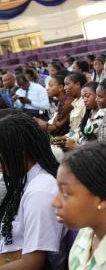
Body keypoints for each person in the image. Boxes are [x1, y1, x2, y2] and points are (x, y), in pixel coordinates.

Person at [0, 110, 66, 269]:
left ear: (20, 153)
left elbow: (32, 264)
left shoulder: (40, 193)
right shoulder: (25, 180)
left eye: (1, 158)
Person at [64, 81, 105, 150]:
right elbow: (79, 130)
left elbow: (100, 145)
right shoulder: (89, 112)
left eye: (87, 96)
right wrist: (65, 137)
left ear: (98, 94)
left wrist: (76, 147)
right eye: (83, 97)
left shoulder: (104, 114)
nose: (84, 100)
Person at [35, 72, 73, 137]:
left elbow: (56, 129)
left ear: (60, 87)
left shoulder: (67, 103)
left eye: (51, 85)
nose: (47, 88)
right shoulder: (61, 101)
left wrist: (41, 123)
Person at [64, 72, 87, 139]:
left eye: (67, 84)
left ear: (77, 84)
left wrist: (67, 138)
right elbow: (73, 130)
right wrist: (66, 137)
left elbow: (81, 129)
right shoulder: (76, 102)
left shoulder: (85, 103)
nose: (64, 88)